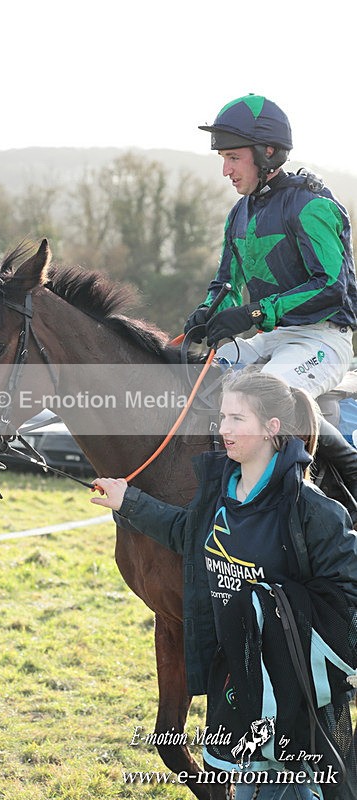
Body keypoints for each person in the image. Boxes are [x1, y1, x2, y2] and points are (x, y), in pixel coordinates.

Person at [91, 368, 357, 800]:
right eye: (222, 417)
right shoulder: (218, 495)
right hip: (231, 684)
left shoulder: (315, 512)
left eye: (237, 419)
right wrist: (128, 501)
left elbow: (349, 606)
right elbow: (187, 535)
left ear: (272, 428)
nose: (223, 430)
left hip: (293, 699)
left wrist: (272, 615)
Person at [183, 93, 357, 516]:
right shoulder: (239, 213)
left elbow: (332, 288)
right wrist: (207, 311)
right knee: (200, 373)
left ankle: (350, 477)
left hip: (324, 337)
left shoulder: (311, 206)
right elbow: (226, 280)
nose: (226, 170)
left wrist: (253, 313)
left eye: (233, 158)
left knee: (269, 394)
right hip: (272, 336)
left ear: (268, 153)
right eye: (223, 158)